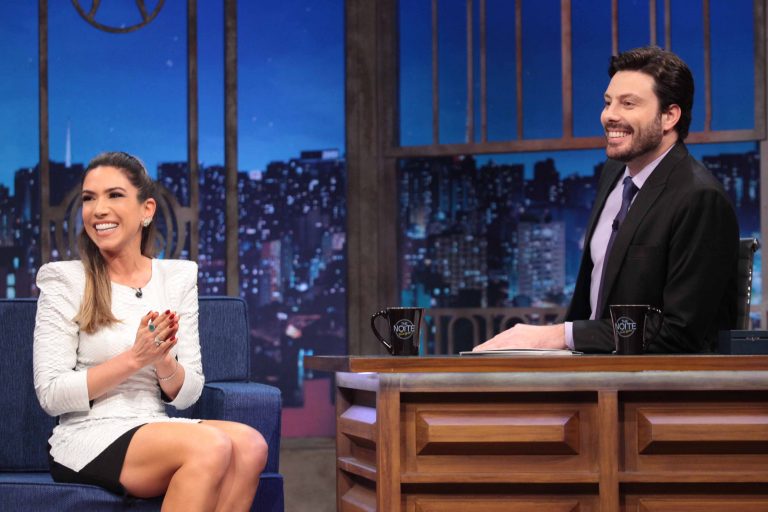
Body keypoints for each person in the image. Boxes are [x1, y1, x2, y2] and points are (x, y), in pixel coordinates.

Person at [33, 151, 268, 510]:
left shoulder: (176, 277)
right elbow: (51, 395)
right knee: (211, 445)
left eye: (114, 195)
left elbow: (188, 394)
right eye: (89, 198)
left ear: (147, 210)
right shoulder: (65, 280)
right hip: (87, 435)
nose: (98, 210)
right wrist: (134, 358)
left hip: (154, 424)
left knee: (251, 446)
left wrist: (162, 361)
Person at [475, 46, 739, 354]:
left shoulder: (699, 197)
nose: (609, 115)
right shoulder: (613, 174)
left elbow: (679, 332)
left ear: (669, 116)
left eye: (628, 103)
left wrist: (559, 336)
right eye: (607, 102)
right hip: (591, 367)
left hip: (655, 380)